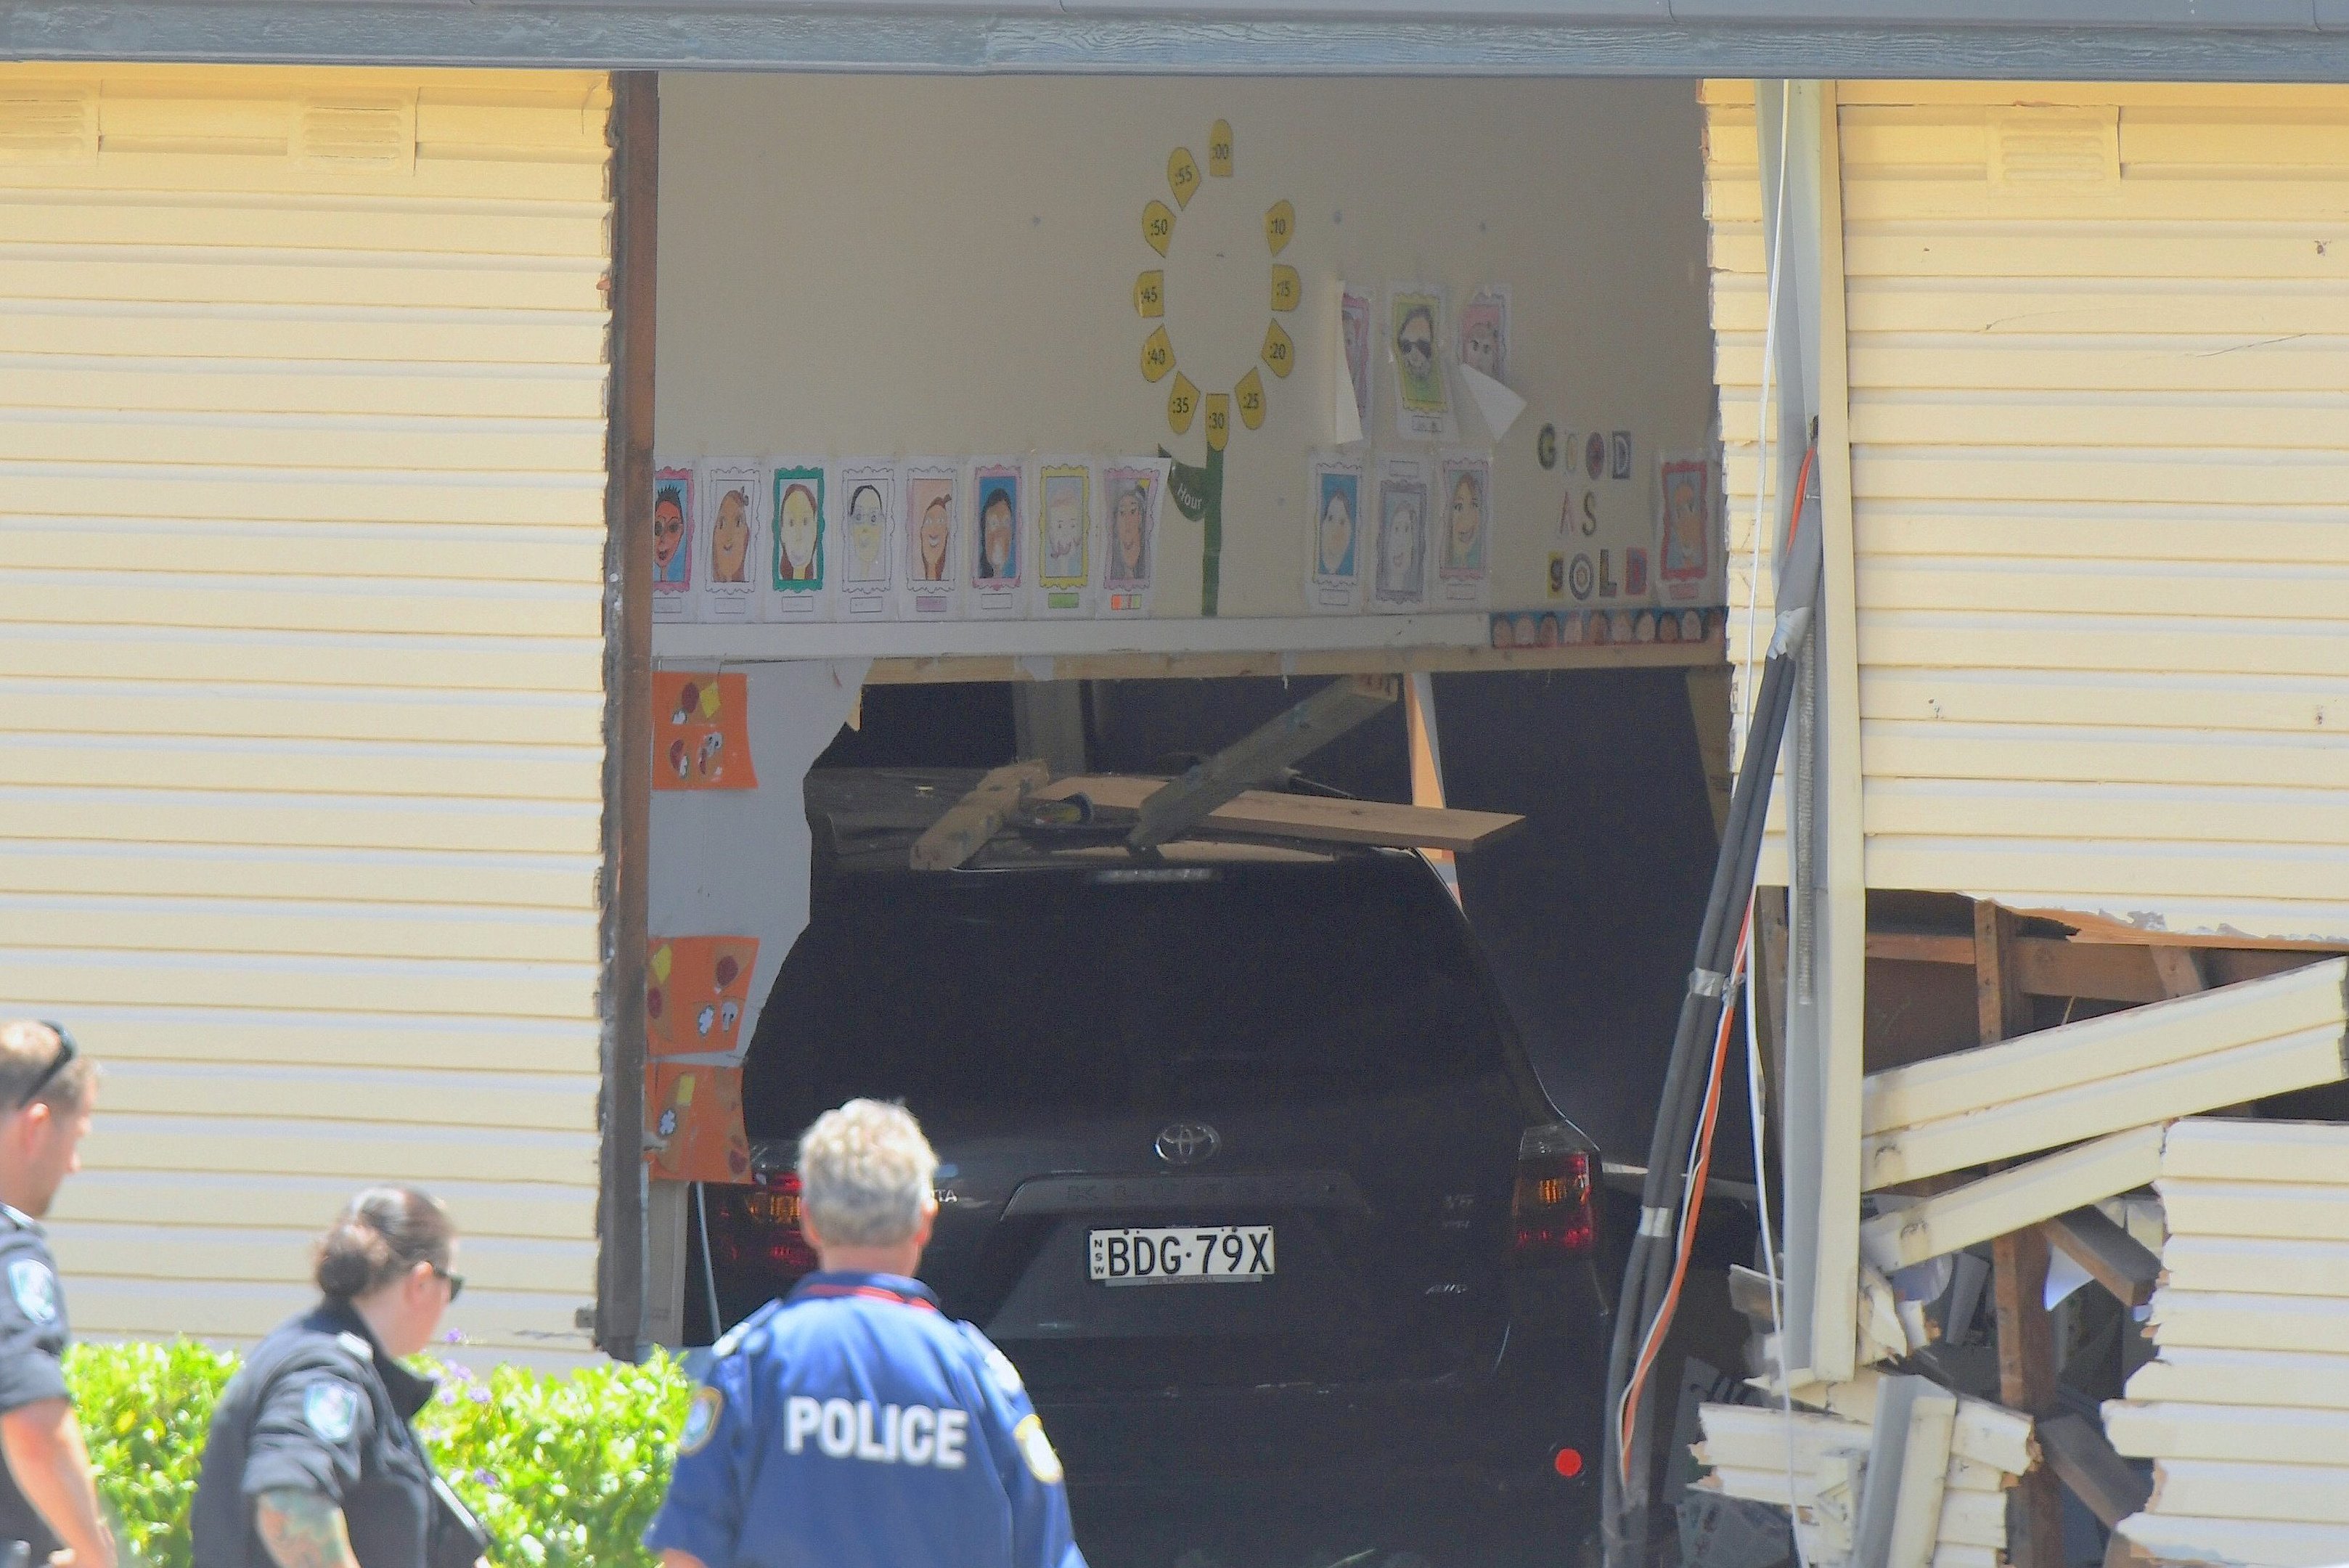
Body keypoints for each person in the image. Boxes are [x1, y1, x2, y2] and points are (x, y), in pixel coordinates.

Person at [645, 1099, 1084, 1568]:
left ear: (808, 1219)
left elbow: (688, 1558)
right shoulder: (980, 1379)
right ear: (925, 1217)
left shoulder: (750, 1367)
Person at [192, 1188, 487, 1568]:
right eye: (454, 1287)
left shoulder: (348, 1366)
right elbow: (290, 1502)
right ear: (422, 1281)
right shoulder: (326, 1372)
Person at [0, 1021, 110, 1568]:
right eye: (77, 1137)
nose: (74, 1165)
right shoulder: (9, 1252)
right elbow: (33, 1428)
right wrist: (95, 1552)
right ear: (37, 1126)